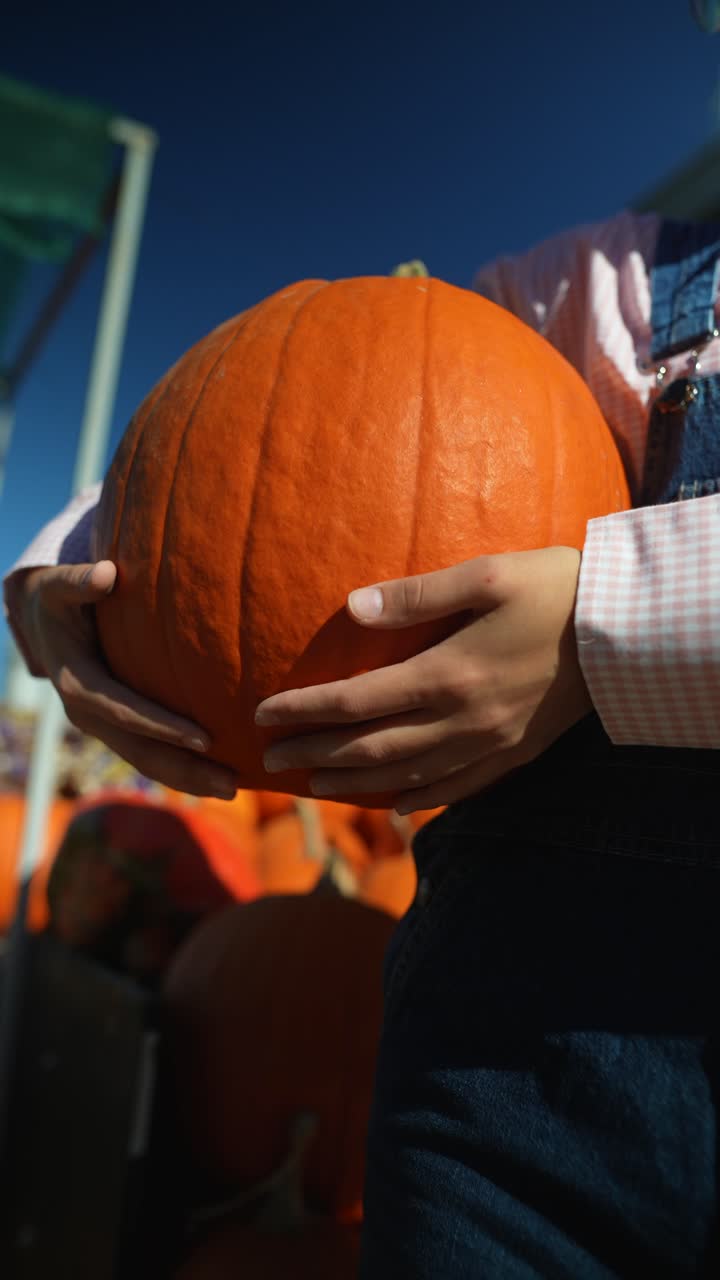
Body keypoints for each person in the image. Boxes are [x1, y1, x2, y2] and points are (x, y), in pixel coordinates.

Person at [5, 207, 720, 1280]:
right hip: (504, 1049)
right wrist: (65, 576)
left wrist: (600, 625)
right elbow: (292, 407)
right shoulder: (613, 282)